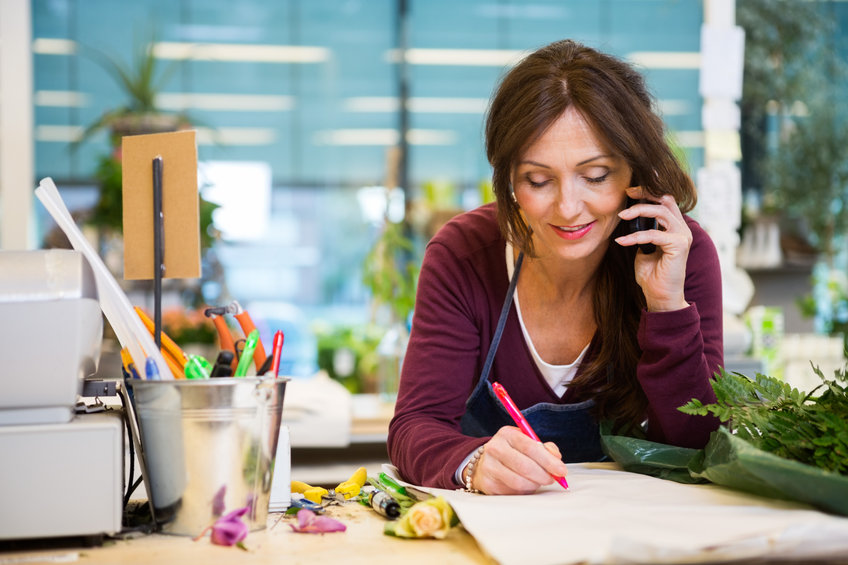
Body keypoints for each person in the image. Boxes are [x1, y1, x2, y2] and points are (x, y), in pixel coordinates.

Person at [387, 39, 724, 495]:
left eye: (596, 176)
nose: (568, 208)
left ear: (633, 171)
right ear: (509, 180)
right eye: (538, 180)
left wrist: (666, 306)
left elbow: (700, 446)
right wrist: (474, 462)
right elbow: (415, 426)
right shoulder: (464, 255)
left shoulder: (679, 253)